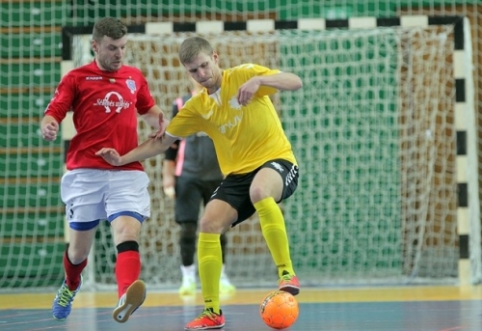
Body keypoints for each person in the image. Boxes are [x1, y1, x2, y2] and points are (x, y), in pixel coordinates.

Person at [96, 36, 302, 330]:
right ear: (187, 72)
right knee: (207, 225)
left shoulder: (244, 76)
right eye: (194, 70)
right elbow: (161, 143)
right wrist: (122, 158)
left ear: (216, 57)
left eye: (205, 65)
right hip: (238, 176)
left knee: (259, 190)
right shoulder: (196, 108)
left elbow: (295, 81)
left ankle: (286, 273)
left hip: (278, 162)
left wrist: (259, 81)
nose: (202, 74)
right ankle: (211, 311)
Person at [40, 17, 166, 323]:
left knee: (127, 230)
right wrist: (50, 124)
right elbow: (54, 111)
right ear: (95, 45)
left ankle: (125, 295)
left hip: (126, 170)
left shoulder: (134, 77)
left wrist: (165, 123)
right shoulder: (77, 78)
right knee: (78, 252)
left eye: (123, 47)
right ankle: (71, 284)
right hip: (85, 172)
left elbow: (150, 111)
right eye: (112, 48)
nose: (119, 54)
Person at [163, 79, 236, 296]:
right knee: (187, 228)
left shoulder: (224, 104)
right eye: (195, 71)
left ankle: (220, 276)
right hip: (187, 177)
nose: (201, 75)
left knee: (218, 228)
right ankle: (188, 277)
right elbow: (171, 144)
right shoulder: (180, 104)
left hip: (217, 176)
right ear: (190, 78)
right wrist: (168, 176)